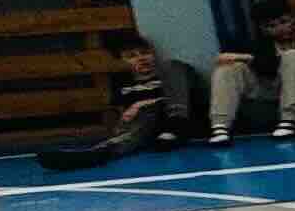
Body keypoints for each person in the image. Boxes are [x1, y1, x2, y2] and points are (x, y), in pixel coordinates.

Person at [33, 31, 200, 173]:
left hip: (172, 121)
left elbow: (181, 96)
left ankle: (173, 128)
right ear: (122, 61)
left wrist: (142, 104)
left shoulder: (168, 75)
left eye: (144, 53)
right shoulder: (122, 85)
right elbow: (123, 117)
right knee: (139, 120)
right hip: (145, 130)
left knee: (171, 71)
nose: (141, 58)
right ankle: (98, 153)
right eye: (131, 56)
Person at [210, 0, 295, 142]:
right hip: (277, 89)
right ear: (262, 29)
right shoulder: (262, 42)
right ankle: (220, 126)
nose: (280, 29)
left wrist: (252, 58)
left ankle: (289, 119)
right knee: (229, 68)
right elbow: (228, 59)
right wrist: (247, 58)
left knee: (294, 55)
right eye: (271, 26)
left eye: (284, 22)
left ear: (294, 18)